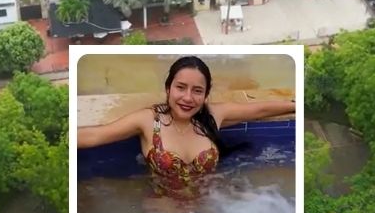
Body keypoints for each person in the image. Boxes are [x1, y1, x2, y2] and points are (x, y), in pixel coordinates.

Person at [77, 56, 295, 202]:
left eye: (197, 91)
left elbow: (258, 110)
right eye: (181, 88)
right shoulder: (149, 121)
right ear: (168, 88)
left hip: (213, 205)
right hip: (164, 211)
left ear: (206, 95)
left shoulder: (212, 116)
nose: (188, 98)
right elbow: (96, 135)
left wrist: (295, 106)